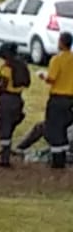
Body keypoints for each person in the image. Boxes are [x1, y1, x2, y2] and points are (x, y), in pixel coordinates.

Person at [40, 32, 73, 169]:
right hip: (71, 98)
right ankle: (65, 156)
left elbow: (52, 78)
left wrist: (43, 76)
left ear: (61, 43)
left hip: (58, 97)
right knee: (65, 126)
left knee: (54, 128)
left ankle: (57, 161)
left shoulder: (57, 60)